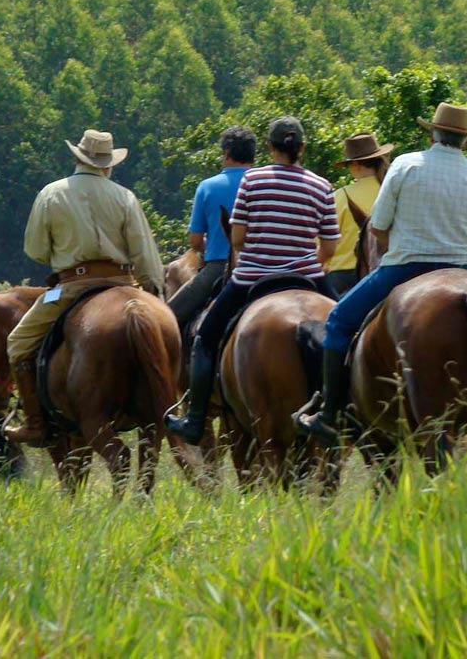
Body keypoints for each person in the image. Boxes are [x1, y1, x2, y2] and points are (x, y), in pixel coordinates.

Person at [296, 103, 467, 444]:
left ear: (432, 134)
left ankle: (330, 413)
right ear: (466, 141)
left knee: (339, 321)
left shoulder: (405, 165)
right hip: (465, 269)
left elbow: (379, 226)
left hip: (406, 267)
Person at [165, 116, 340, 444]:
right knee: (349, 333)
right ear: (302, 148)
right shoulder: (321, 185)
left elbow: (238, 238)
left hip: (252, 277)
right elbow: (330, 247)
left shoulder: (253, 180)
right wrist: (305, 262)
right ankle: (353, 415)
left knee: (205, 337)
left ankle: (195, 418)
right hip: (308, 277)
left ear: (270, 148)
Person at [4, 129, 165, 445]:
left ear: (77, 158)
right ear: (108, 165)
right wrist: (153, 290)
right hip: (124, 282)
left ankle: (35, 423)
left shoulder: (51, 193)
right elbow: (144, 254)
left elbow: (36, 250)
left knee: (18, 343)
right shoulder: (125, 196)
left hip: (73, 287)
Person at [166, 126, 254, 330]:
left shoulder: (208, 186)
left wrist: (212, 246)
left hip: (218, 268)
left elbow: (195, 241)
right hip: (262, 267)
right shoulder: (262, 184)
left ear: (226, 153)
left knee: (167, 318)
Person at [326, 133, 394, 297]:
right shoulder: (391, 192)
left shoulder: (340, 196)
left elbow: (324, 240)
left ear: (355, 164)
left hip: (344, 275)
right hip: (385, 271)